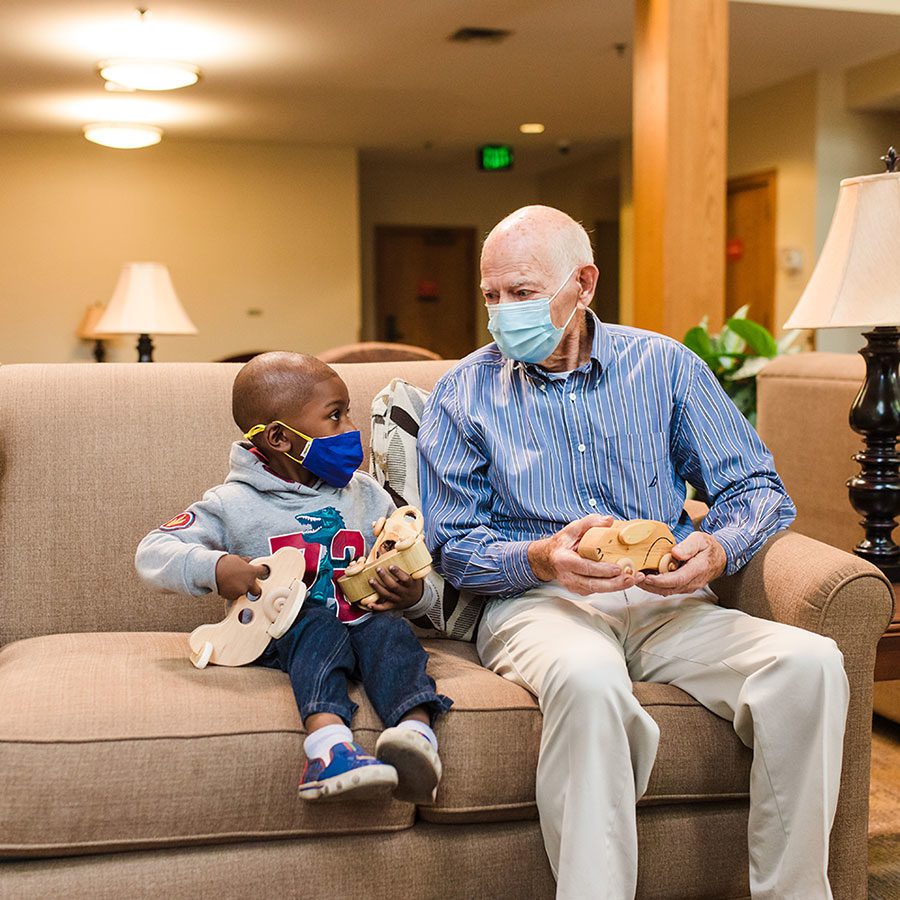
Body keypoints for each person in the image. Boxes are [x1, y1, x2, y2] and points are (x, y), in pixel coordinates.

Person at [418, 205, 849, 899]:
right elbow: (455, 549)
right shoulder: (462, 394)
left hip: (663, 601)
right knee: (589, 677)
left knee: (811, 664)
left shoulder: (666, 367)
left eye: (523, 293)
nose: (502, 314)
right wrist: (541, 558)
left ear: (583, 283)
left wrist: (719, 546)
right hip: (539, 601)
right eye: (491, 296)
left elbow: (756, 488)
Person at [136, 351, 451, 805]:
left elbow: (405, 563)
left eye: (348, 412)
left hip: (360, 625)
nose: (350, 429)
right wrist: (217, 567)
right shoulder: (231, 503)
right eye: (335, 416)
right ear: (282, 438)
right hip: (281, 635)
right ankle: (328, 748)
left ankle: (415, 737)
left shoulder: (365, 493)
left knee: (389, 631)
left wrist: (411, 593)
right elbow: (154, 551)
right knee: (317, 622)